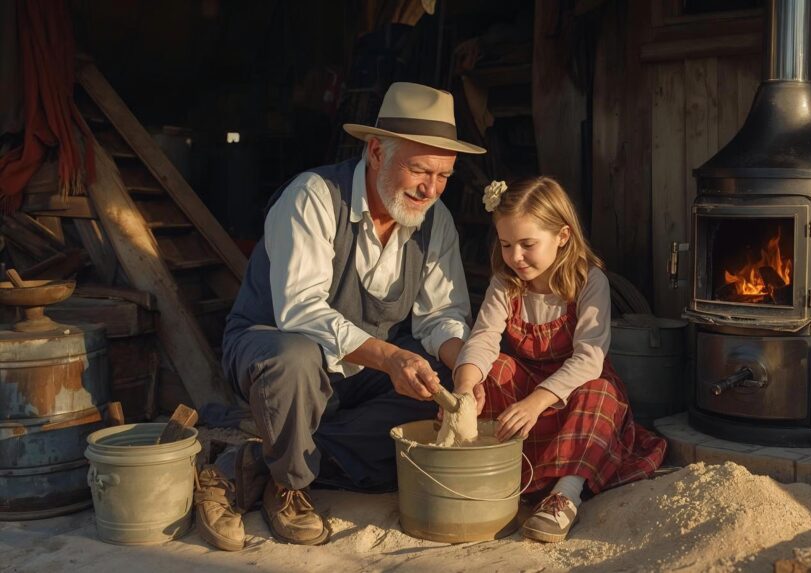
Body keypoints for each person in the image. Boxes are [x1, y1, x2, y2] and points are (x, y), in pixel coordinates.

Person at [202, 82, 487, 550]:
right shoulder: (313, 196)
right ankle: (292, 485)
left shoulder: (437, 222)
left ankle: (254, 463)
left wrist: (463, 373)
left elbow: (440, 317)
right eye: (419, 169)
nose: (430, 189)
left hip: (363, 374)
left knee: (432, 404)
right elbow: (300, 309)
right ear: (376, 151)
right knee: (295, 356)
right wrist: (392, 358)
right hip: (275, 352)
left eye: (444, 176)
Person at [452, 177, 666, 543]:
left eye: (527, 244)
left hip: (571, 391)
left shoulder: (588, 281)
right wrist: (465, 387)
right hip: (527, 389)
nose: (515, 256)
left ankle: (565, 493)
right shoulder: (506, 283)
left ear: (562, 236)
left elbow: (589, 358)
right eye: (506, 245)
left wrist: (538, 401)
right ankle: (492, 471)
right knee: (495, 369)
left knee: (600, 392)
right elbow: (484, 338)